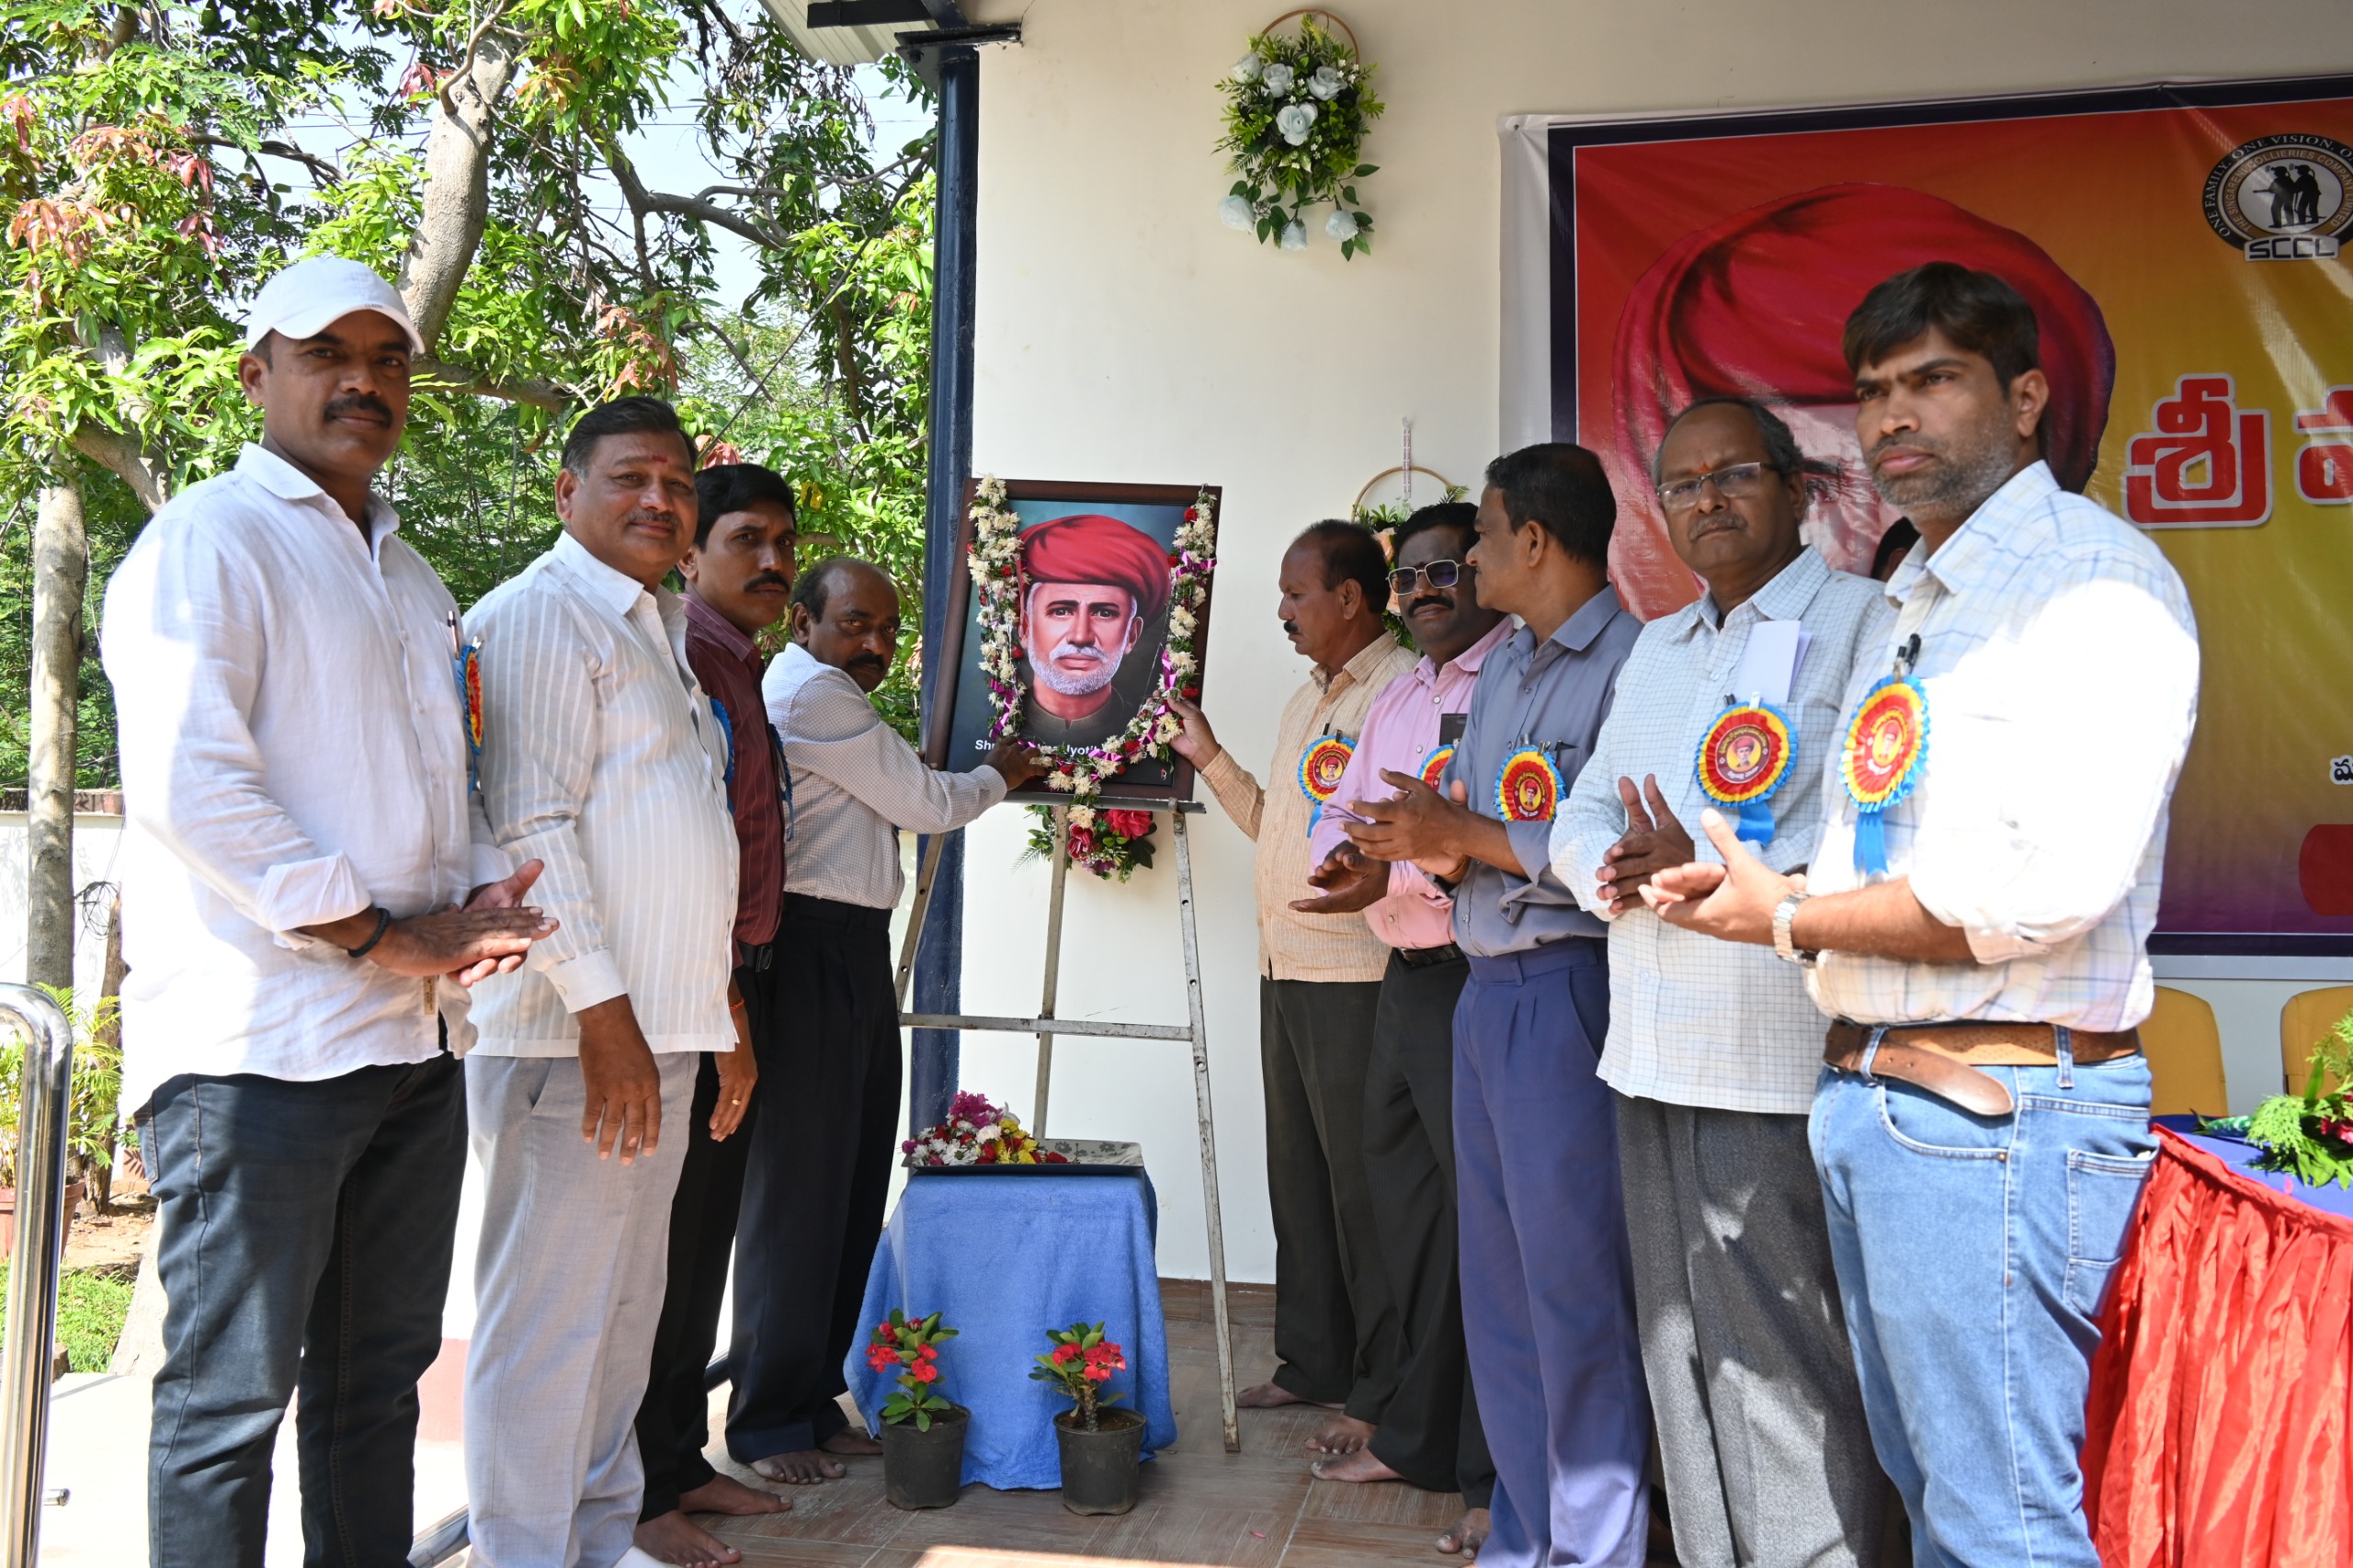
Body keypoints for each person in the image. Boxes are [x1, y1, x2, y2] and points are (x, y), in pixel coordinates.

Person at [1642, 262, 2200, 1568]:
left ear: (2025, 398)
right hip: (1887, 1104)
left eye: (1934, 380)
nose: (1894, 414)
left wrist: (1792, 919)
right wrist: (1771, 896)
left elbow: (2044, 887)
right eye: (1875, 390)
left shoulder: (2088, 581)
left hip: (1995, 1113)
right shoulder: (1921, 601)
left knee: (2001, 1524)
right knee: (1939, 1503)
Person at [102, 256, 555, 1568]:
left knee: (374, 1386)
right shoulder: (206, 540)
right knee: (228, 1406)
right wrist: (382, 934)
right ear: (258, 376)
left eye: (388, 359)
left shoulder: (408, 576)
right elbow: (194, 786)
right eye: (326, 355)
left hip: (409, 1047)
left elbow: (435, 777)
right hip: (262, 1051)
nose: (364, 381)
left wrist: (474, 892)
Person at [1552, 399, 1890, 1568]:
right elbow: (1586, 801)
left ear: (1795, 487)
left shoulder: (1862, 624)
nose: (1706, 499)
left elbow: (1870, 826)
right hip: (1649, 1051)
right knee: (1681, 1363)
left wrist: (1705, 862)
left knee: (1782, 1377)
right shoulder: (1658, 645)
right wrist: (1606, 864)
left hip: (1772, 1060)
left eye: (1733, 474)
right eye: (1682, 484)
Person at [1341, 444, 1648, 1568]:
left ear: (1533, 540)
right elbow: (1468, 824)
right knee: (1503, 1295)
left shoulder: (1636, 664)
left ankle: (1596, 1547)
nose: (1467, 560)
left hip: (1569, 988)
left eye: (1479, 537)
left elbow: (1617, 849)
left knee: (1574, 1293)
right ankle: (1526, 1532)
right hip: (1483, 991)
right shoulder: (1507, 662)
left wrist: (1460, 833)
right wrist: (1414, 836)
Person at [463, 395, 743, 1568]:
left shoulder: (654, 623)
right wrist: (606, 1016)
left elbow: (676, 837)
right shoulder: (543, 612)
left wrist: (712, 1015)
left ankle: (595, 1531)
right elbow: (531, 825)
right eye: (632, 476)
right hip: (571, 1037)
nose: (660, 500)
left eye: (678, 482)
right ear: (566, 490)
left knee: (623, 1312)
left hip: (655, 1029)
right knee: (549, 1322)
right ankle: (525, 1550)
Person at [734, 558, 1041, 1481]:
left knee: (850, 1176)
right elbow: (925, 802)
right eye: (855, 623)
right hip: (811, 951)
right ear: (802, 622)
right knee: (802, 1192)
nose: (875, 643)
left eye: (888, 629)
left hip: (850, 952)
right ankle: (766, 1420)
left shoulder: (826, 692)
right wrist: (1000, 774)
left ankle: (810, 1397)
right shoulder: (814, 692)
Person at [1166, 520, 1415, 1454]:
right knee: (1300, 1175)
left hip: (1356, 972)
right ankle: (1314, 1361)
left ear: (1350, 597)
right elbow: (1281, 823)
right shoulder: (1304, 701)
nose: (1282, 611)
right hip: (1285, 966)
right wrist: (1209, 756)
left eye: (1295, 593)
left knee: (1362, 1191)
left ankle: (1382, 1387)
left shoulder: (1400, 690)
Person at [1291, 502, 1507, 1559]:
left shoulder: (1507, 678)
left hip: (1480, 973)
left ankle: (1488, 1468)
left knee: (1483, 1234)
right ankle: (1419, 1438)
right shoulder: (1402, 690)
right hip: (1405, 976)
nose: (1424, 589)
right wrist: (1345, 859)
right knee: (1409, 1221)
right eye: (1409, 575)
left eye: (1444, 570)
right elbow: (1345, 807)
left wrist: (1398, 862)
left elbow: (1488, 830)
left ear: (1488, 570)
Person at [631, 463, 801, 1568]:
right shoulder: (685, 654)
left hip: (740, 977)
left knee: (704, 1243)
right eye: (747, 539)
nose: (772, 561)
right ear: (690, 551)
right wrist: (727, 999)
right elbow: (687, 848)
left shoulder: (737, 660)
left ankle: (679, 1459)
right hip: (696, 989)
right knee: (667, 1248)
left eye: (784, 542)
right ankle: (640, 1489)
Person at [1017, 512, 1173, 747]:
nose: (1081, 636)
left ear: (1132, 635)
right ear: (1025, 628)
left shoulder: (1154, 732)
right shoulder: (989, 722)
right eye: (1061, 611)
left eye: (1104, 613)